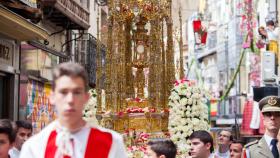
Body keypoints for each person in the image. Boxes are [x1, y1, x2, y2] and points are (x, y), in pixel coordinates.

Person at [20, 62, 127, 158]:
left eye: (77, 92)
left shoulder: (112, 143)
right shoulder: (35, 147)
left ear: (86, 97)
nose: (70, 100)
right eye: (63, 92)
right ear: (52, 97)